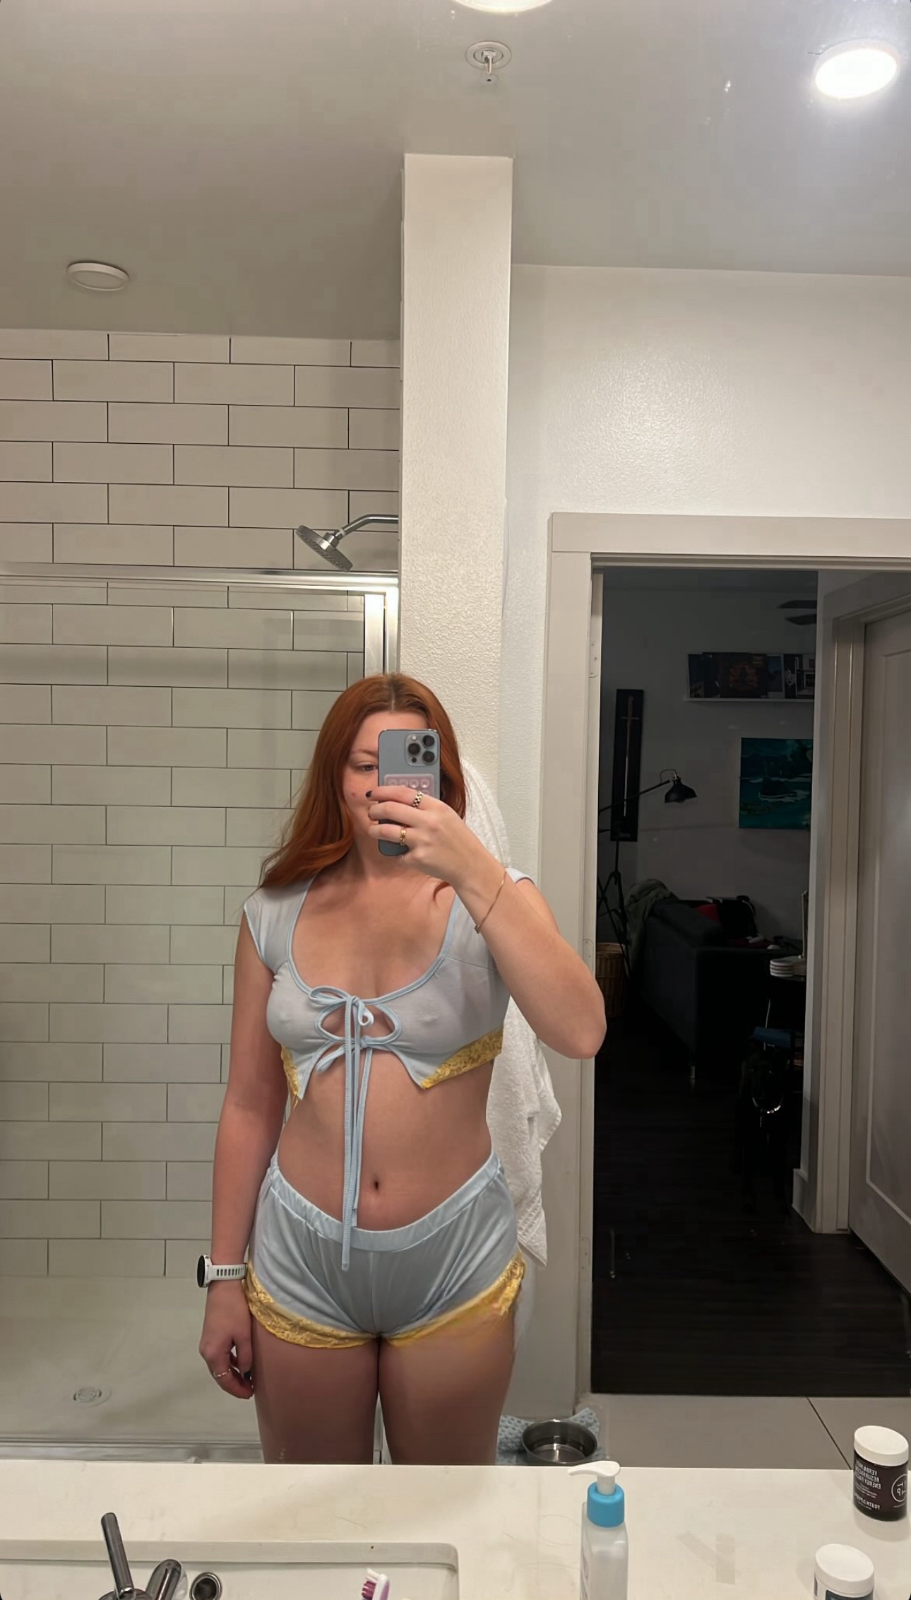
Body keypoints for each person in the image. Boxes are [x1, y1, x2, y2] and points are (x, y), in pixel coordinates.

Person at [199, 673, 605, 1464]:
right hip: (300, 1254)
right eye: (363, 763)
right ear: (334, 775)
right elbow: (248, 1105)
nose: (384, 783)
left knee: (445, 1505)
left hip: (454, 1252)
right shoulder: (273, 911)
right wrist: (222, 1277)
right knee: (315, 1508)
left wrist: (474, 871)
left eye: (407, 761)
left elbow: (580, 1030)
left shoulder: (496, 898)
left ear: (442, 778)